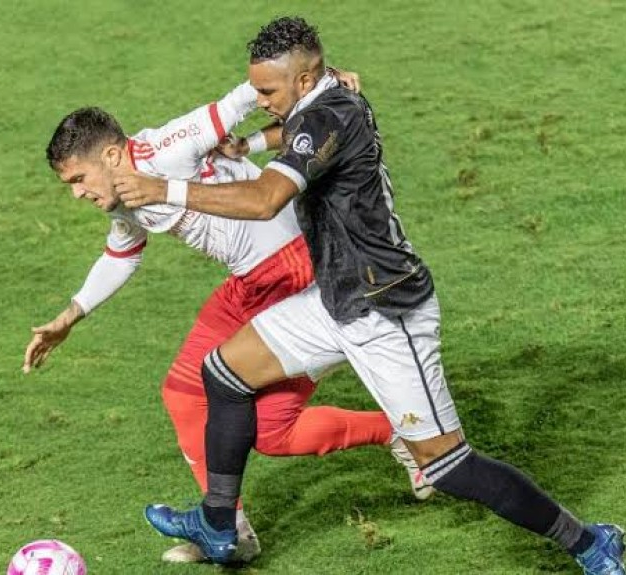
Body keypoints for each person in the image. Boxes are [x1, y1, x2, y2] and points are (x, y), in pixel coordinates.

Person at [115, 17, 626, 574]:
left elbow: (267, 199)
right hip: (334, 300)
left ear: (307, 78)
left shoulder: (332, 112)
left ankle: (589, 542)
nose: (260, 99)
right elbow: (298, 135)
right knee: (223, 372)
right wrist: (255, 140)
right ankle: (219, 524)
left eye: (268, 91)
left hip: (387, 311)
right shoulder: (324, 103)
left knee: (449, 466)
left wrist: (162, 189)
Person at [23, 73, 430, 564]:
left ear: (111, 156)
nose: (76, 194)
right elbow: (122, 253)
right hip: (250, 282)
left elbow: (239, 99)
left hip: (294, 273)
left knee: (273, 433)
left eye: (77, 180)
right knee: (183, 394)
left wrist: (322, 82)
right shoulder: (123, 195)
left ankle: (402, 433)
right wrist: (70, 316)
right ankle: (227, 530)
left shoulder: (165, 150)